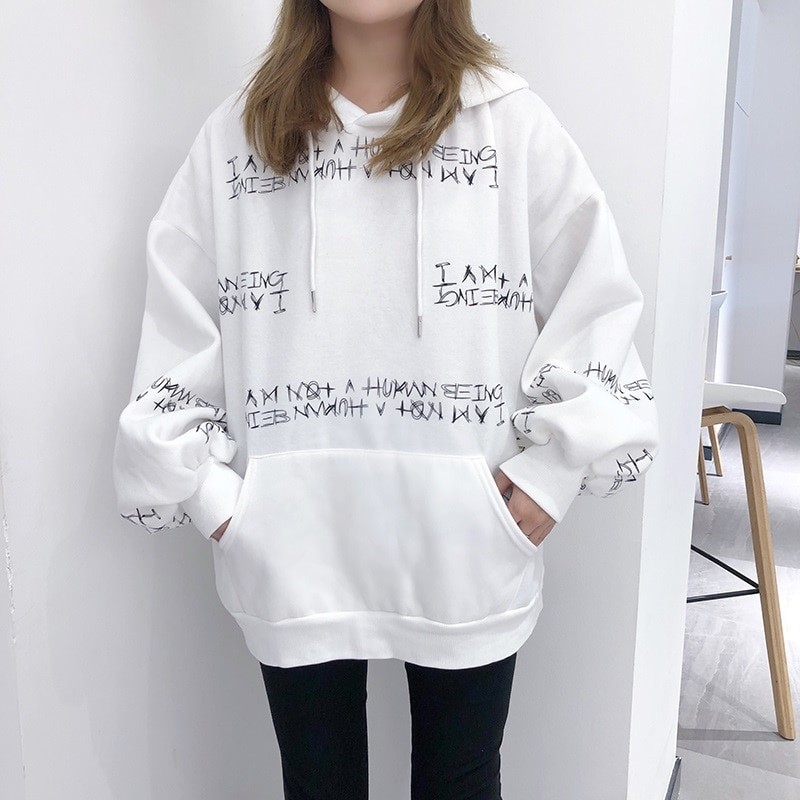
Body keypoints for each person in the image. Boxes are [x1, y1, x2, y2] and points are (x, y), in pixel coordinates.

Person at [112, 0, 660, 797]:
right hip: (291, 551)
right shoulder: (240, 135)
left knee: (460, 783)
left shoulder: (514, 127)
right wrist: (217, 499)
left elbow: (597, 304)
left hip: (468, 545)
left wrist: (554, 473)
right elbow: (179, 318)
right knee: (318, 785)